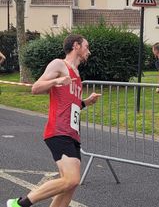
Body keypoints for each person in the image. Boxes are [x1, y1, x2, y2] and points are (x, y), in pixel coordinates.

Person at [7, 34, 101, 207]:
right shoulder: (59, 64)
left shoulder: (77, 75)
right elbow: (35, 88)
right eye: (86, 46)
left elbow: (71, 106)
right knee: (71, 180)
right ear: (76, 46)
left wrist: (86, 102)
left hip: (72, 133)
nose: (89, 51)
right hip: (58, 131)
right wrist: (56, 80)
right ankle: (19, 204)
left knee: (69, 186)